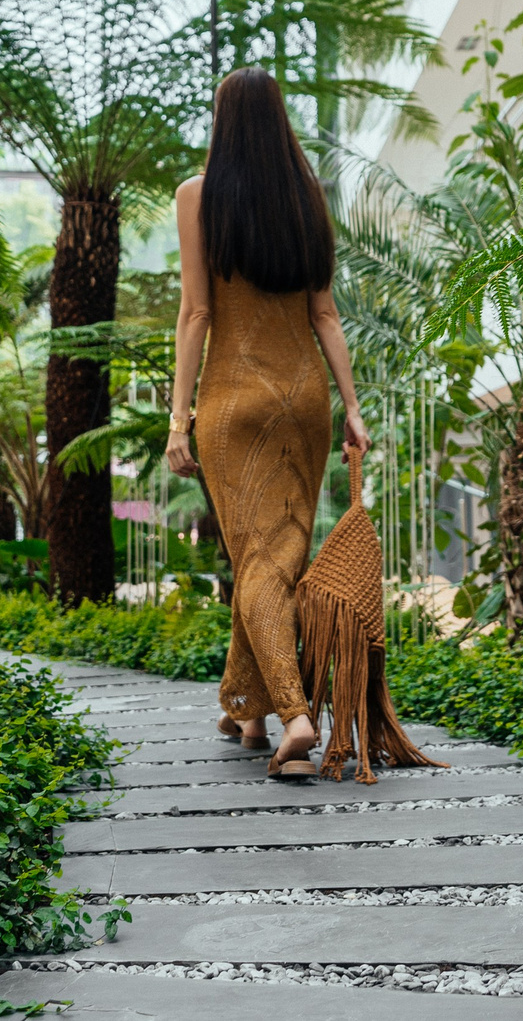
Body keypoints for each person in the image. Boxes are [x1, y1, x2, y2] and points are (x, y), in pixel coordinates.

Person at [164, 67, 371, 781]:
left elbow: (196, 314)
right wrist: (352, 406)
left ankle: (295, 716)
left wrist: (177, 417)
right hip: (305, 400)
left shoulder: (197, 197)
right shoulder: (306, 199)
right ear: (280, 119)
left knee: (257, 560)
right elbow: (326, 315)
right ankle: (246, 707)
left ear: (223, 120)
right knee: (274, 555)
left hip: (232, 404)